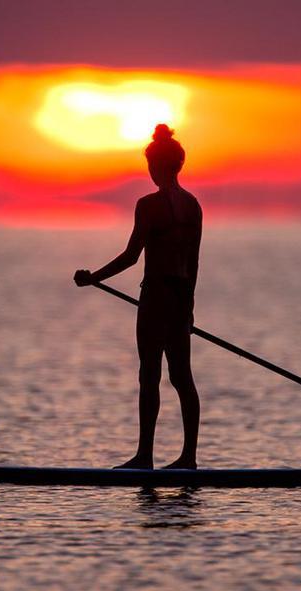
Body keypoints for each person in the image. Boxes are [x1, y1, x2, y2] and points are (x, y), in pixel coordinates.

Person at [74, 124, 203, 470]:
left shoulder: (148, 205)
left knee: (150, 375)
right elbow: (193, 263)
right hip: (180, 299)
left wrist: (93, 278)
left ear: (156, 166)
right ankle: (188, 458)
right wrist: (188, 310)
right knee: (181, 377)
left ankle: (145, 456)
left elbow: (132, 256)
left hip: (157, 298)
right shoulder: (193, 206)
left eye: (149, 164)